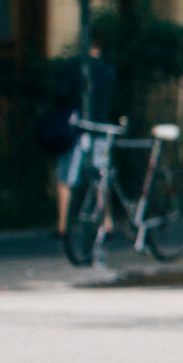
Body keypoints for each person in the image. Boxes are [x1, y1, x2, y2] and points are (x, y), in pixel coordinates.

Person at [50, 37, 115, 239]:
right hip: (101, 129)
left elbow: (60, 95)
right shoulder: (107, 71)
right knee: (101, 177)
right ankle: (107, 221)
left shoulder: (72, 67)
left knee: (65, 178)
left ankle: (62, 225)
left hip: (78, 129)